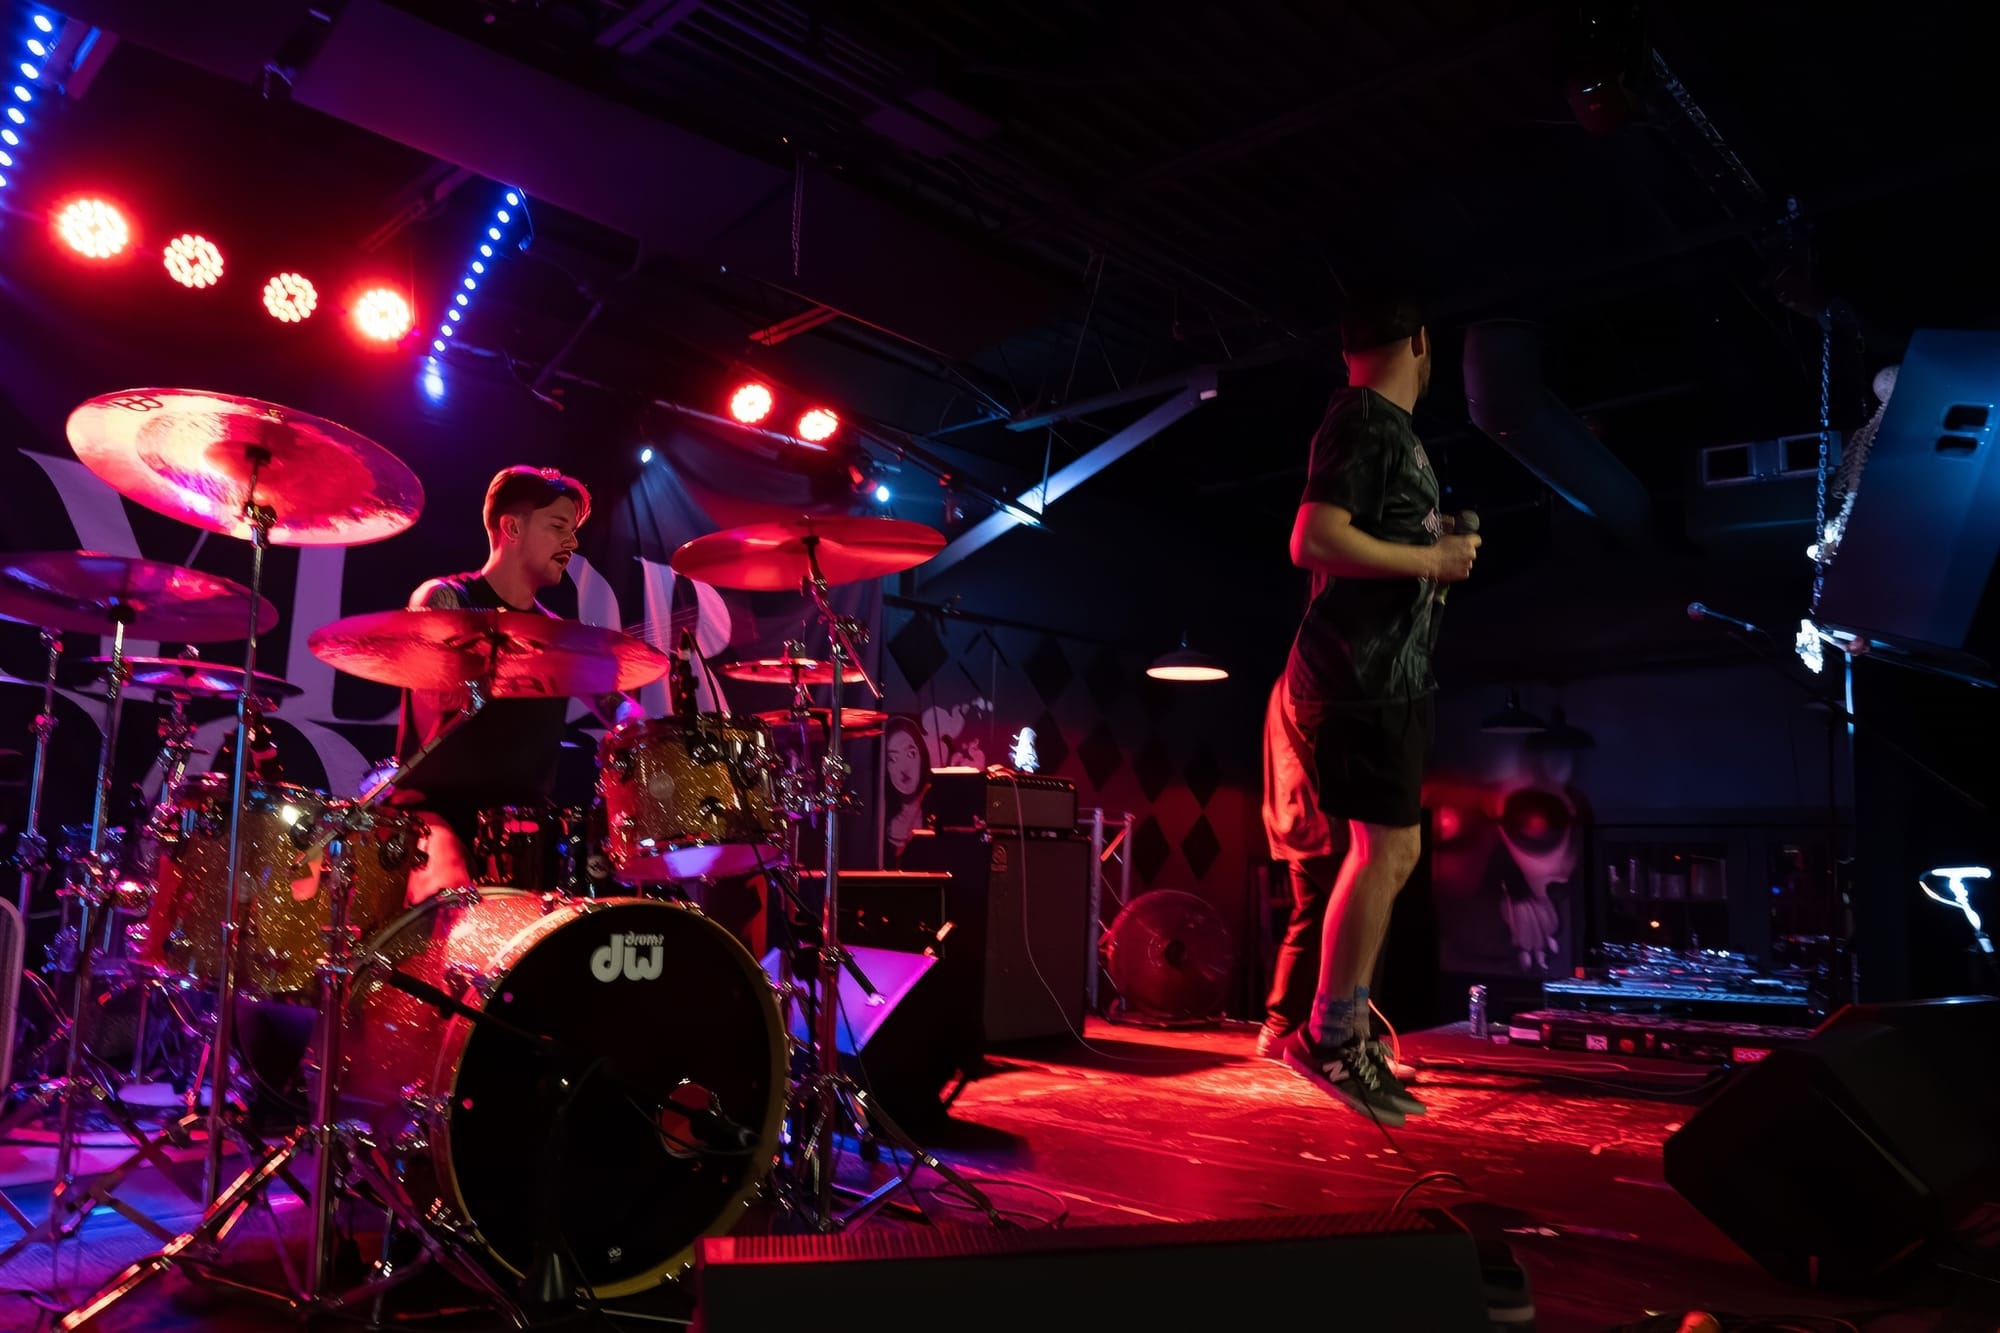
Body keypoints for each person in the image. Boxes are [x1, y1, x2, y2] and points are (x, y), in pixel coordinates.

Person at [1279, 289, 1480, 1125]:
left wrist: (1436, 552)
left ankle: (1345, 1034)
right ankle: (1330, 1037)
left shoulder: (1383, 428)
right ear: (1422, 343)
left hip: (1384, 678)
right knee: (1386, 848)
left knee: (1392, 851)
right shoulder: (1366, 420)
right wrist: (1431, 560)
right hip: (1359, 679)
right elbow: (1312, 539)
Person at [392, 466, 643, 904]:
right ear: (511, 528)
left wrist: (632, 725)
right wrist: (502, 665)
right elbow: (434, 691)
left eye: (574, 531)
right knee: (451, 901)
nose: (572, 542)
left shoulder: (557, 636)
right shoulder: (446, 598)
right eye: (559, 527)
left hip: (524, 827)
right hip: (435, 813)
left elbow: (618, 705)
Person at [881, 714, 930, 862]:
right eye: (893, 759)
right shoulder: (881, 812)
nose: (904, 769)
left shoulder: (934, 800)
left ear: (922, 755)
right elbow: (895, 853)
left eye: (911, 754)